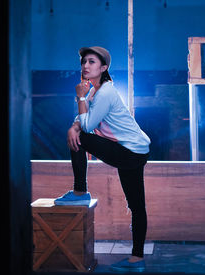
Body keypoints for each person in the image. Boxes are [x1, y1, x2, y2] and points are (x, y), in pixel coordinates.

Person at [55, 46, 151, 272]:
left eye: (91, 62)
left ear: (104, 68)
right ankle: (137, 260)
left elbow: (87, 125)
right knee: (137, 206)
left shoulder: (105, 92)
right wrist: (75, 122)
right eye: (83, 62)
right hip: (133, 150)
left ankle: (80, 191)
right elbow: (83, 117)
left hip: (130, 151)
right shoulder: (95, 91)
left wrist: (79, 100)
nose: (85, 66)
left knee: (81, 136)